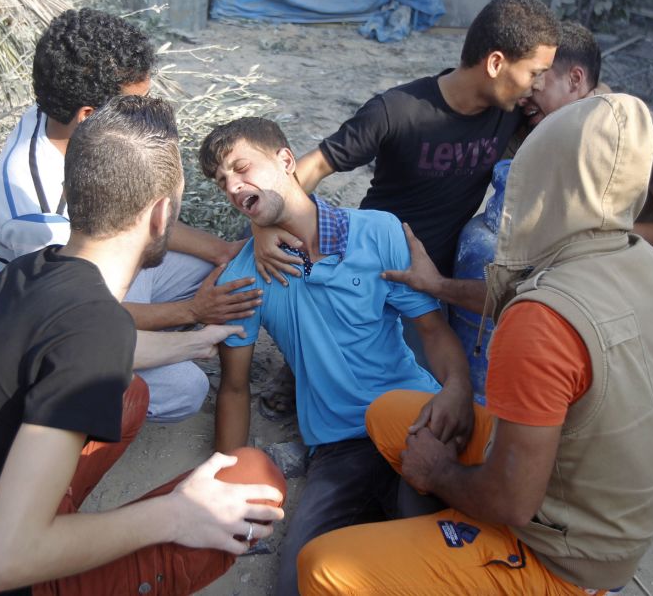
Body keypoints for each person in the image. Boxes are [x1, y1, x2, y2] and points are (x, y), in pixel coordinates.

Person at [0, 95, 286, 596]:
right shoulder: (91, 332)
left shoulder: (35, 269)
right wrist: (175, 514)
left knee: (131, 394)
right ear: (162, 214)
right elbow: (1, 562)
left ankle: (55, 519)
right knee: (256, 479)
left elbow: (88, 347)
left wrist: (197, 344)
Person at [298, 93, 653, 596]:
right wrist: (436, 287)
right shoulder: (638, 259)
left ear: (546, 179)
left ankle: (486, 560)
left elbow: (511, 502)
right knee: (389, 413)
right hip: (605, 511)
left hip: (563, 557)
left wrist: (438, 473)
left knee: (322, 565)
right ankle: (451, 533)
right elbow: (513, 295)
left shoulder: (541, 321)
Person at [392, 21, 653, 467]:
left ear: (575, 80)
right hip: (574, 284)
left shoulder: (643, 129)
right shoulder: (537, 126)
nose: (527, 95)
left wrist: (584, 234)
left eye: (538, 82)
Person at [248, 0, 562, 415]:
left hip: (433, 276)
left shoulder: (512, 109)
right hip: (371, 264)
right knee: (347, 375)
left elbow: (582, 100)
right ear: (495, 64)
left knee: (422, 383)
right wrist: (263, 226)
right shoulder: (397, 111)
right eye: (534, 73)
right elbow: (314, 166)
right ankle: (302, 364)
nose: (539, 85)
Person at [198, 116, 476, 596]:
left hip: (416, 414)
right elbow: (235, 388)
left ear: (287, 161)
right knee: (300, 579)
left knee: (436, 549)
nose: (232, 186)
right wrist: (228, 490)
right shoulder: (242, 279)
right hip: (339, 445)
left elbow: (432, 330)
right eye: (223, 181)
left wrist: (455, 390)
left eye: (241, 168)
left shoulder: (379, 233)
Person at [0, 7, 261, 425]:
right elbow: (77, 313)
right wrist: (193, 313)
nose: (144, 116)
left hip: (79, 277)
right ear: (89, 115)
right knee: (185, 389)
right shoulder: (38, 210)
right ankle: (70, 423)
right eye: (134, 106)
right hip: (36, 326)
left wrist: (224, 251)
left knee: (205, 269)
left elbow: (134, 213)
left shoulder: (63, 123)